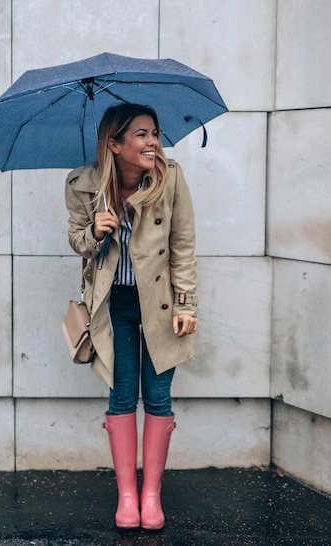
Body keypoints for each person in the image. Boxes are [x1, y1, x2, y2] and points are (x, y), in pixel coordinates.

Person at [65, 102, 198, 530]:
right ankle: (127, 497)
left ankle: (151, 496)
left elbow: (182, 244)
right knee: (122, 396)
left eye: (154, 133)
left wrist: (186, 304)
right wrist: (95, 230)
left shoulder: (169, 177)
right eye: (141, 134)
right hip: (114, 305)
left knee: (158, 396)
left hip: (159, 303)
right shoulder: (84, 185)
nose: (153, 141)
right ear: (114, 143)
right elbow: (77, 242)